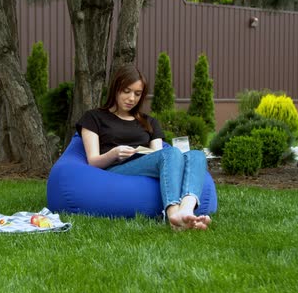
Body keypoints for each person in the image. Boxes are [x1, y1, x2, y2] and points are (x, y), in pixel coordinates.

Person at [76, 64, 211, 231]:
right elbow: (93, 162)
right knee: (171, 154)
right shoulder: (94, 117)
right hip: (116, 169)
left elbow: (159, 153)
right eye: (127, 91)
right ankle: (173, 214)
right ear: (115, 89)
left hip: (146, 164)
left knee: (197, 155)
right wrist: (114, 153)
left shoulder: (149, 121)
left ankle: (186, 210)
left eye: (137, 94)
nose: (132, 98)